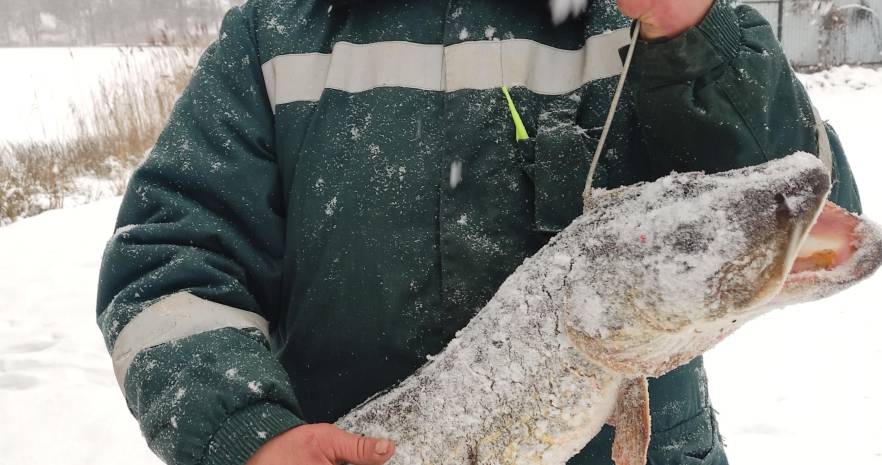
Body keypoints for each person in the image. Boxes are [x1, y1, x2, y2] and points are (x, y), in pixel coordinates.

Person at [96, 0, 862, 464]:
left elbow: (808, 203)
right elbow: (171, 266)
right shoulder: (277, 35)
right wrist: (251, 435)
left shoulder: (633, 17)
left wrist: (692, 34)